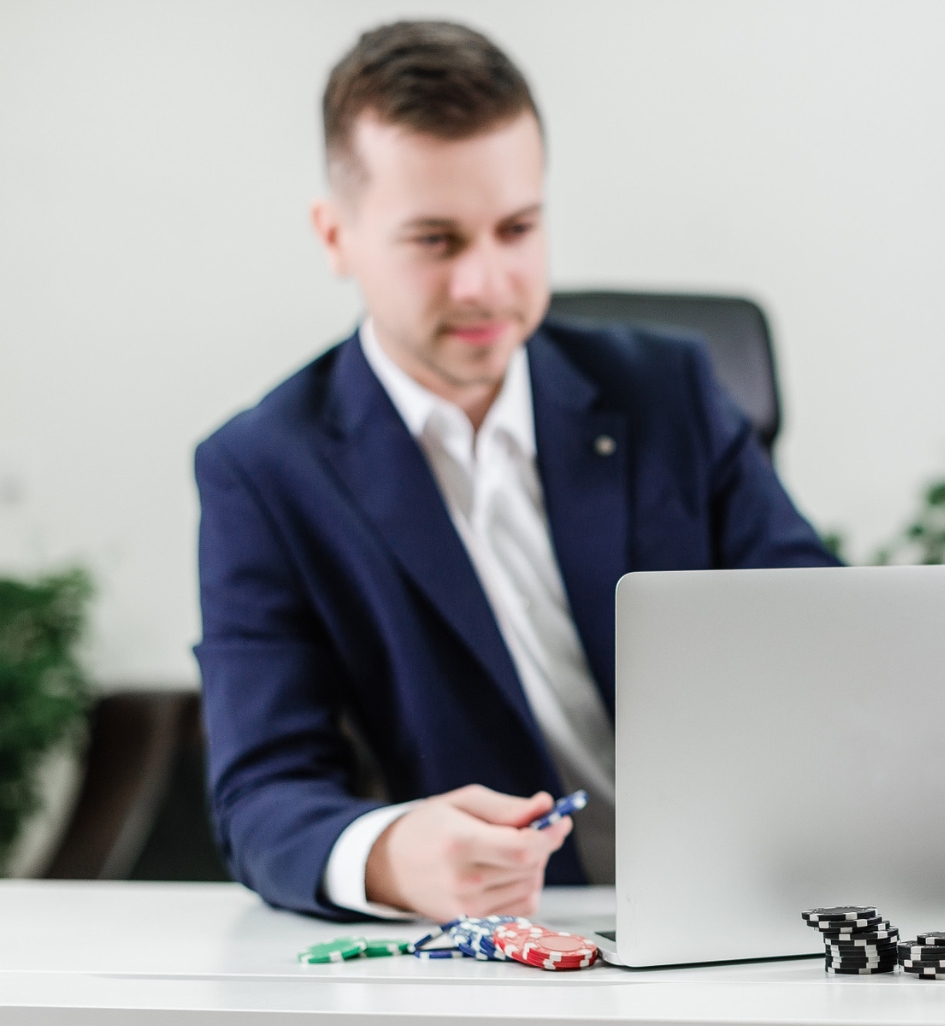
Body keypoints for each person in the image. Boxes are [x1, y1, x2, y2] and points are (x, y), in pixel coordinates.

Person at [194, 20, 837, 923]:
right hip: (522, 949)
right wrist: (386, 855)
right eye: (436, 240)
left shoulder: (670, 390)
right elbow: (261, 790)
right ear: (336, 236)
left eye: (517, 228)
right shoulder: (262, 471)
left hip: (756, 903)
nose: (486, 284)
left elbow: (819, 627)